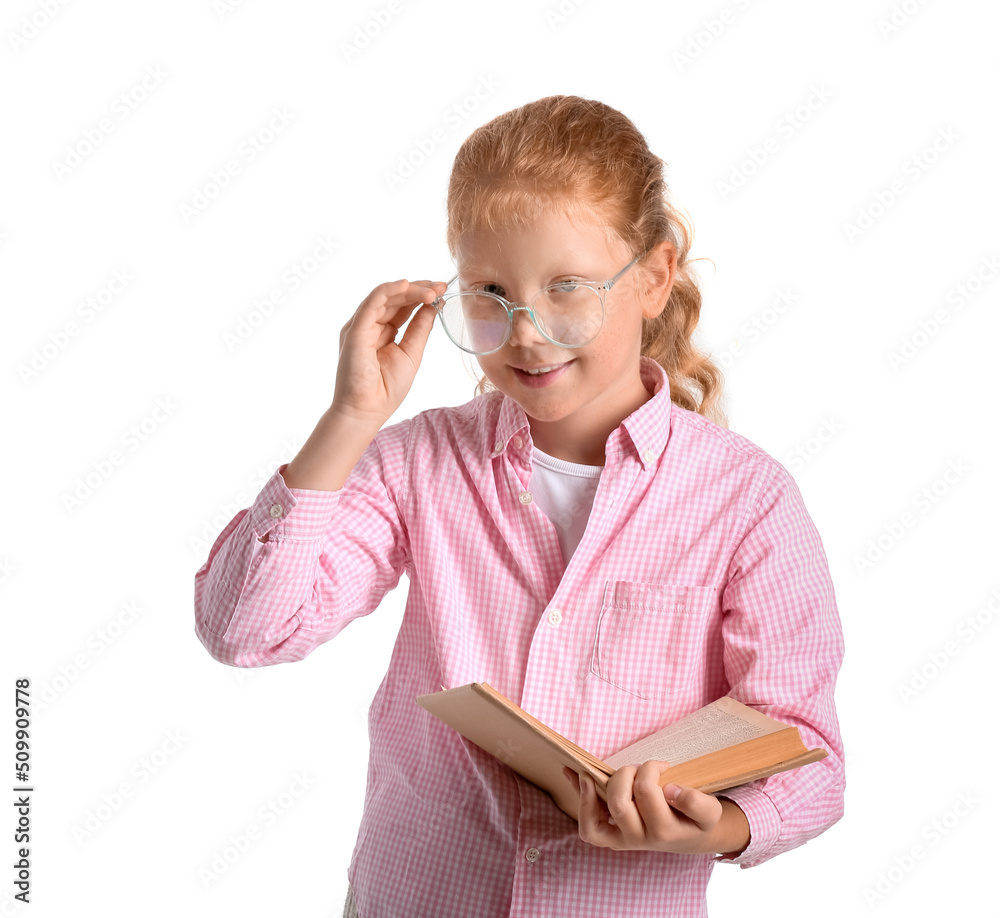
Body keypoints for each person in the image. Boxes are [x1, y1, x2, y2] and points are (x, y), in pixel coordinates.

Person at [194, 94, 845, 918]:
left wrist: (716, 827)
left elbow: (810, 754)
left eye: (567, 287)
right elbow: (245, 630)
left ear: (653, 276)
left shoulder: (747, 500)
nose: (528, 331)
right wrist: (352, 417)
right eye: (491, 293)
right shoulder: (421, 462)